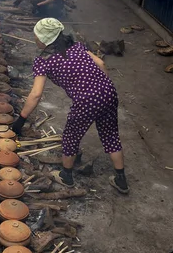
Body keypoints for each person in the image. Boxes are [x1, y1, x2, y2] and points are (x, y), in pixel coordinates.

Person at [12, 18, 129, 194]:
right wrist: (103, 86)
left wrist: (20, 120)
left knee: (71, 137)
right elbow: (102, 64)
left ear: (44, 40)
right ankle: (121, 179)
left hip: (86, 102)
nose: (35, 39)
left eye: (36, 36)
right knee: (110, 134)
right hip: (109, 93)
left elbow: (36, 94)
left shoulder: (44, 61)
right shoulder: (77, 47)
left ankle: (66, 175)